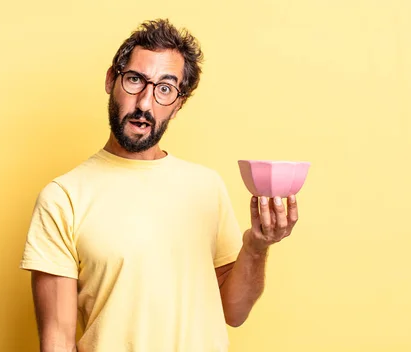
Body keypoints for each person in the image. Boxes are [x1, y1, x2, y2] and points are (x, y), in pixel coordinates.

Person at [20, 18, 299, 352]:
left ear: (179, 104)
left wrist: (256, 246)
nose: (145, 104)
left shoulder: (206, 187)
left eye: (165, 89)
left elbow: (234, 311)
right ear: (112, 80)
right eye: (135, 80)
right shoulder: (63, 198)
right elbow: (58, 340)